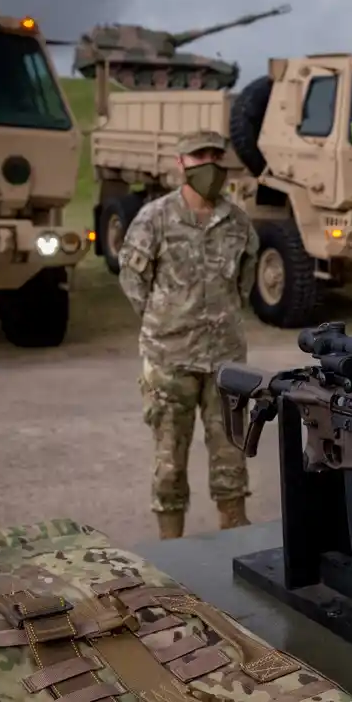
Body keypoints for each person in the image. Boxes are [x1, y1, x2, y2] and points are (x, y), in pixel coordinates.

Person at [118, 130, 260, 539]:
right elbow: (134, 281)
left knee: (231, 459)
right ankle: (171, 550)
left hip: (224, 362)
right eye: (199, 156)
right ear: (181, 163)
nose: (209, 163)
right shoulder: (155, 218)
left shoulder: (237, 222)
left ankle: (234, 536)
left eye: (216, 155)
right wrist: (167, 322)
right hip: (170, 362)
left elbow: (244, 284)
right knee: (169, 464)